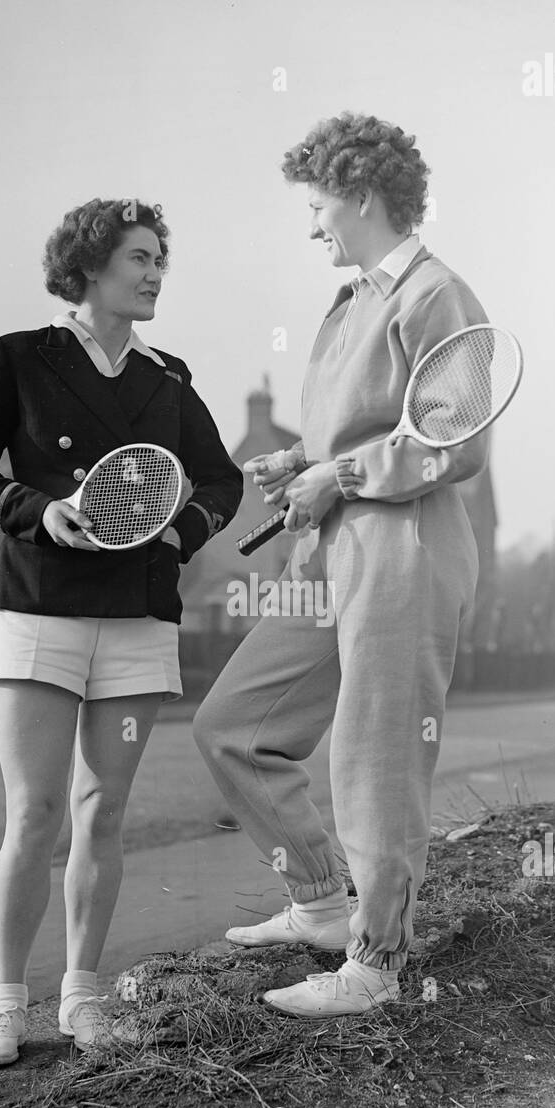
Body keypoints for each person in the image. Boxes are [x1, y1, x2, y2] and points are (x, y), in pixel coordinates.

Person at [0, 198, 243, 1066]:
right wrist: (37, 511)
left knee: (101, 812)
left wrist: (182, 533)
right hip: (36, 611)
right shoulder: (21, 358)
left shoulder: (169, 378)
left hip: (138, 619)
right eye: (139, 258)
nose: (153, 275)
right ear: (90, 265)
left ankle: (83, 995)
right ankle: (5, 1007)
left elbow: (218, 481)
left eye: (159, 261)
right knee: (33, 814)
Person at [193, 113, 490, 1018]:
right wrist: (299, 460)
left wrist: (339, 472)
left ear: (361, 197)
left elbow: (454, 440)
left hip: (404, 549)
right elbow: (359, 430)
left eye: (317, 204)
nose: (311, 222)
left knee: (376, 756)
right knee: (232, 726)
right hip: (333, 544)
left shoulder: (437, 294)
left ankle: (375, 963)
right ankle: (321, 902)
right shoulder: (354, 298)